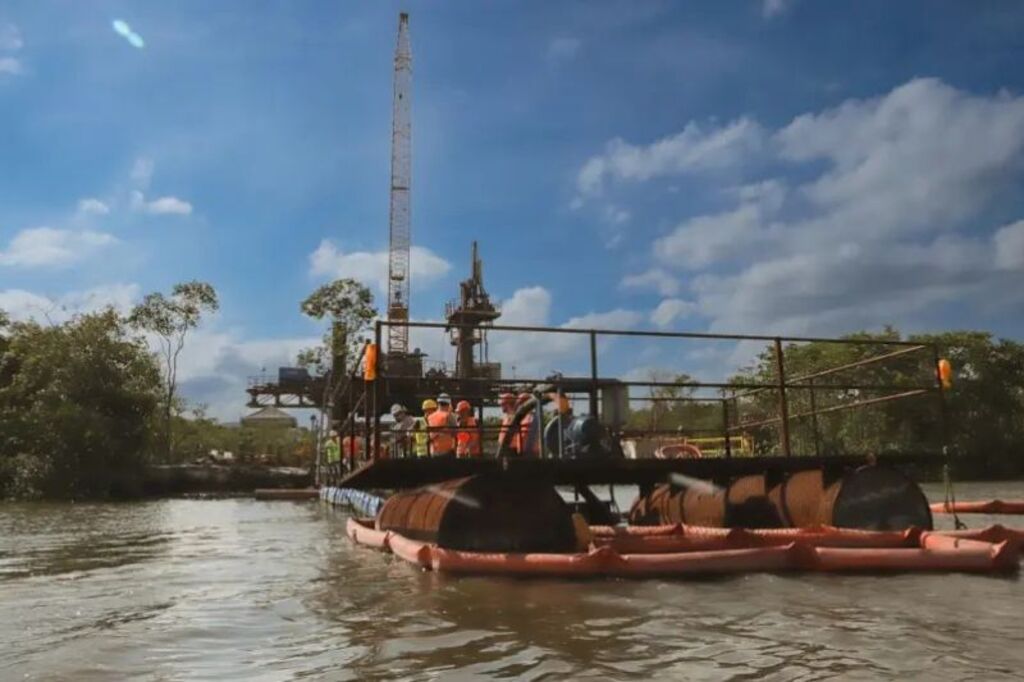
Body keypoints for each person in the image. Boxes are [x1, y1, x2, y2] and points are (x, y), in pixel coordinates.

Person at [518, 392, 540, 457]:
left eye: (521, 403)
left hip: (530, 451)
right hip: (523, 450)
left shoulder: (532, 417)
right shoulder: (523, 417)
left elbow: (532, 435)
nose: (520, 405)